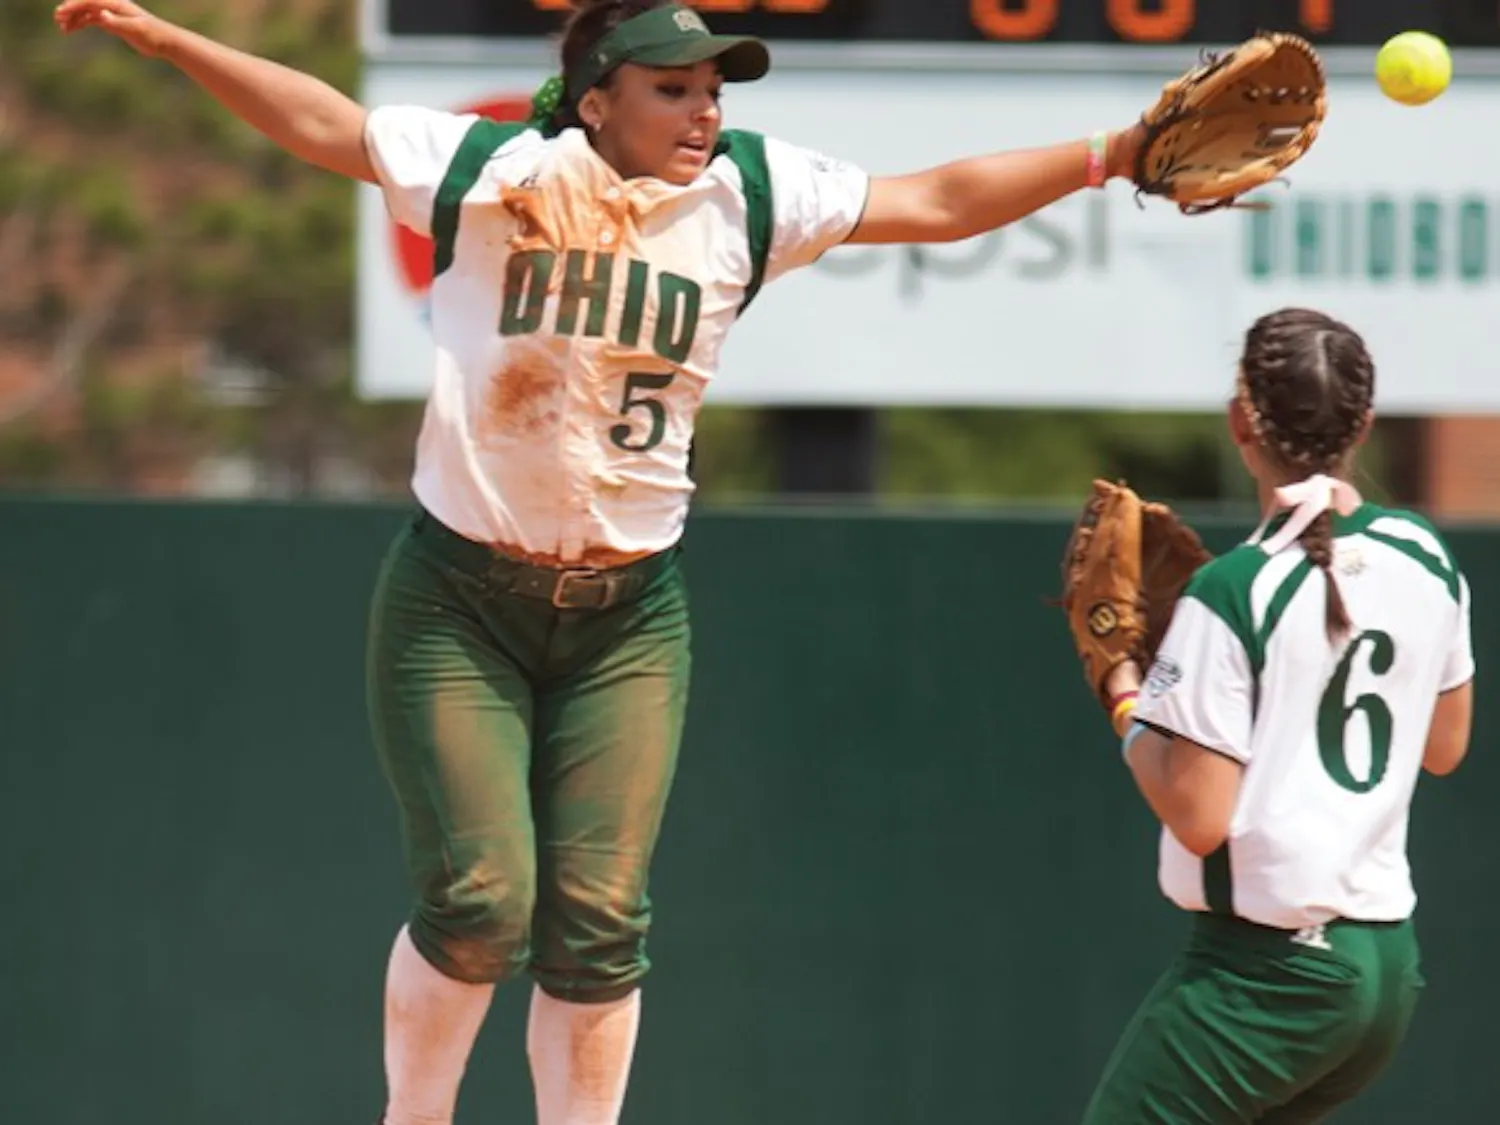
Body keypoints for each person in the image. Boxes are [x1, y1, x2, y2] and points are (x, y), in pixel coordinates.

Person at [53, 0, 1158, 1121]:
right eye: (672, 88)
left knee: (600, 921)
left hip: (628, 618)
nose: (703, 109)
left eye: (714, 89)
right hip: (460, 602)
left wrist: (1108, 156)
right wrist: (178, 42)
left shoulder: (748, 194)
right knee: (483, 903)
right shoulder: (497, 171)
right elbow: (327, 123)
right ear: (597, 100)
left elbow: (937, 200)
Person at [1086, 307, 1475, 1124]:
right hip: (1384, 972)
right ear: (1363, 424)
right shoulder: (1425, 554)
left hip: (1267, 975)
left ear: (1240, 421)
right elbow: (1445, 745)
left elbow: (1197, 815)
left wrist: (1126, 689)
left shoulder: (1234, 591)